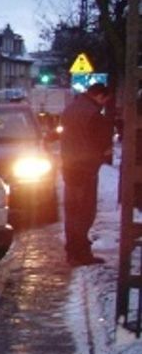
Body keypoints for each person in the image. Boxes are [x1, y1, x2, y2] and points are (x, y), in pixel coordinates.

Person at [59, 82, 113, 265]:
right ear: (99, 96)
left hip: (69, 166)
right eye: (105, 100)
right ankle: (80, 253)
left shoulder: (70, 109)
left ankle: (72, 251)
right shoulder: (93, 114)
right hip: (86, 168)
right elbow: (101, 143)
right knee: (85, 212)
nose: (105, 104)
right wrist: (105, 152)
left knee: (72, 210)